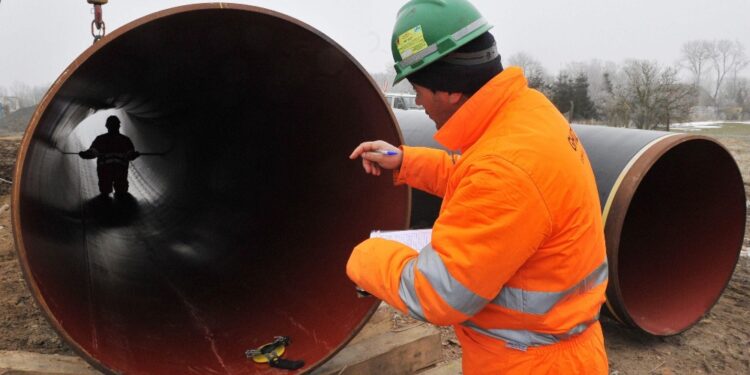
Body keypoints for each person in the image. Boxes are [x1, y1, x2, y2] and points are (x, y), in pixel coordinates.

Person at [347, 0, 609, 373]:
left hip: (527, 363)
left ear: (449, 91)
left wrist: (366, 256)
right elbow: (478, 177)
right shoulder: (527, 112)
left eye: (418, 89)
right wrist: (405, 161)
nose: (418, 101)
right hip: (554, 347)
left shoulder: (504, 169)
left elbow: (437, 296)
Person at [79, 115, 140, 197]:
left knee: (106, 193)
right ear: (119, 125)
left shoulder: (100, 139)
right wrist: (134, 155)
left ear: (106, 126)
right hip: (119, 172)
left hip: (105, 172)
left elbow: (92, 152)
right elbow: (130, 155)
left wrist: (84, 154)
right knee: (121, 193)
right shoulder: (125, 140)